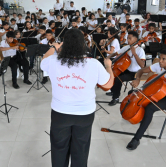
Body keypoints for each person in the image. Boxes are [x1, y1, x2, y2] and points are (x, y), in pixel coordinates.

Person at [41, 28, 114, 167]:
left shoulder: (53, 60)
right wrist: (109, 67)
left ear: (64, 44)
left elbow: (43, 61)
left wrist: (53, 47)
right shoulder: (93, 63)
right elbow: (108, 85)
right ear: (83, 45)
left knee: (58, 147)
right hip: (84, 114)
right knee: (80, 148)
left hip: (60, 113)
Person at [127, 48, 166, 150]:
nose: (160, 61)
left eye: (163, 59)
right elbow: (141, 70)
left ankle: (136, 139)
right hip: (157, 93)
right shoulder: (158, 66)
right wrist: (137, 79)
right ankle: (139, 117)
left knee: (150, 108)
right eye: (160, 58)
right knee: (132, 94)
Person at [106, 31, 146, 105]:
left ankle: (116, 98)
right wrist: (109, 56)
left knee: (118, 79)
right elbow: (116, 53)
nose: (128, 40)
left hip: (134, 73)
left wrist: (134, 54)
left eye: (130, 38)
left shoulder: (140, 50)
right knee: (112, 75)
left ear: (135, 39)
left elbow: (142, 65)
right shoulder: (127, 47)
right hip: (125, 69)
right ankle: (114, 91)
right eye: (127, 38)